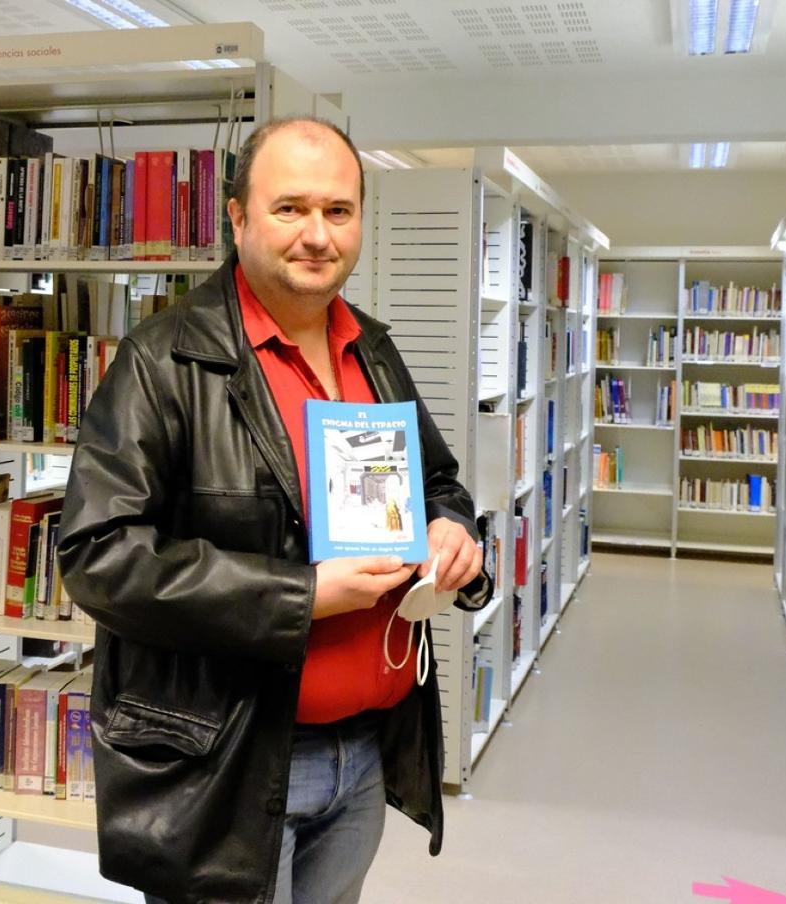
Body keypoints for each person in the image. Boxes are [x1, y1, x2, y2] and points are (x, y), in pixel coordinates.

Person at [56, 116, 489, 904]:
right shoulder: (164, 361)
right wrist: (302, 596)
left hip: (362, 759)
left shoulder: (373, 350)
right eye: (290, 208)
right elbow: (98, 555)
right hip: (227, 764)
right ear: (237, 217)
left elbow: (441, 484)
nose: (317, 234)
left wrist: (455, 532)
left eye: (339, 210)